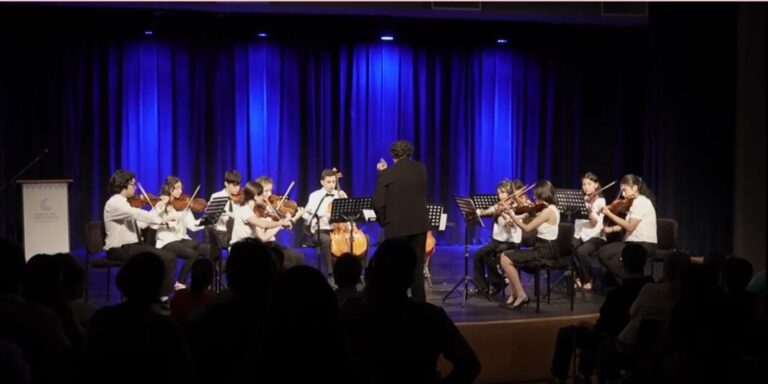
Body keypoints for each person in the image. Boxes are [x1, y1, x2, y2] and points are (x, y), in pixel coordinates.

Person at [341, 238, 481, 383]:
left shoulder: (352, 313)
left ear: (370, 275)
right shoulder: (432, 317)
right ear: (412, 279)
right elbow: (470, 365)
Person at [103, 169, 177, 299]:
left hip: (131, 246)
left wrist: (158, 207)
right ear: (124, 185)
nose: (135, 188)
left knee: (167, 257)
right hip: (118, 248)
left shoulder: (124, 203)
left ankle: (154, 294)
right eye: (133, 184)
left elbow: (141, 224)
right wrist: (160, 219)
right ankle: (162, 297)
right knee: (167, 258)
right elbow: (137, 214)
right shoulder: (114, 203)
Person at [373, 140, 430, 302]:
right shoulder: (421, 169)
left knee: (396, 269)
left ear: (393, 156)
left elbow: (378, 203)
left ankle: (397, 305)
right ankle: (420, 306)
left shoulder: (387, 174)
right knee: (417, 269)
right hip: (419, 226)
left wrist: (384, 222)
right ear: (410, 154)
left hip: (396, 228)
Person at [499, 180, 560, 309]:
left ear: (543, 195)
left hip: (545, 250)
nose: (534, 198)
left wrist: (512, 215)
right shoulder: (549, 208)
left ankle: (521, 295)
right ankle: (515, 294)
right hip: (543, 247)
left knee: (505, 258)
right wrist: (521, 207)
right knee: (506, 257)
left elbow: (527, 228)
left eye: (536, 195)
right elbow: (530, 212)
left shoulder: (548, 211)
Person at [303, 168, 369, 278]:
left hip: (341, 230)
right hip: (321, 230)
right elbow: (306, 215)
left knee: (365, 238)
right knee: (326, 240)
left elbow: (349, 215)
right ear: (322, 182)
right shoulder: (314, 196)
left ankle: (362, 273)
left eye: (333, 182)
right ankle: (331, 274)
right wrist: (324, 216)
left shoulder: (340, 194)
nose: (331, 185)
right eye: (328, 182)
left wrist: (345, 200)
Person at [471, 179, 528, 297]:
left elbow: (513, 224)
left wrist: (505, 214)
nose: (499, 195)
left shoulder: (518, 207)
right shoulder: (500, 205)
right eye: (498, 193)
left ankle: (498, 282)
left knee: (486, 253)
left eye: (502, 193)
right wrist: (478, 212)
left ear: (509, 192)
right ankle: (483, 286)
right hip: (498, 241)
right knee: (478, 254)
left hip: (510, 242)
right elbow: (489, 211)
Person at [598, 174, 657, 282]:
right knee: (604, 252)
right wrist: (611, 229)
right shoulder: (635, 202)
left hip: (643, 244)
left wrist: (609, 213)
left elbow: (630, 227)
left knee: (608, 256)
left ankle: (631, 281)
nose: (623, 195)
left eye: (625, 190)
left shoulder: (641, 201)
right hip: (633, 242)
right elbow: (626, 224)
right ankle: (630, 280)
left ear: (634, 188)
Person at [155, 175, 210, 290]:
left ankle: (203, 284)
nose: (181, 191)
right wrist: (164, 212)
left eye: (181, 188)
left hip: (181, 239)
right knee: (192, 254)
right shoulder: (161, 204)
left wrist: (207, 219)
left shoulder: (184, 204)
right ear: (170, 189)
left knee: (206, 249)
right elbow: (154, 221)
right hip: (167, 241)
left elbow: (193, 226)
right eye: (178, 188)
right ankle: (180, 283)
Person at [254, 176, 306, 268]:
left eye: (270, 191)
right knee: (288, 262)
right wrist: (281, 223)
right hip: (262, 247)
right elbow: (264, 236)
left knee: (299, 258)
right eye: (266, 191)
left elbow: (286, 226)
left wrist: (295, 217)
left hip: (271, 244)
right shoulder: (256, 210)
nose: (269, 194)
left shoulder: (268, 208)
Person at [229, 180, 294, 247]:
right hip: (239, 249)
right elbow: (263, 224)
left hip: (247, 247)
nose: (264, 198)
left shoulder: (250, 210)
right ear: (255, 197)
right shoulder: (244, 210)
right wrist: (281, 222)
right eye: (261, 196)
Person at [572, 172, 608, 291]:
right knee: (569, 248)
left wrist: (588, 209)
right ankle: (578, 276)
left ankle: (587, 279)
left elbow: (594, 223)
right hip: (580, 234)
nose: (586, 187)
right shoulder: (579, 199)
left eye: (589, 184)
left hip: (596, 236)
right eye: (584, 184)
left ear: (596, 185)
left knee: (581, 252)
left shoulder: (600, 201)